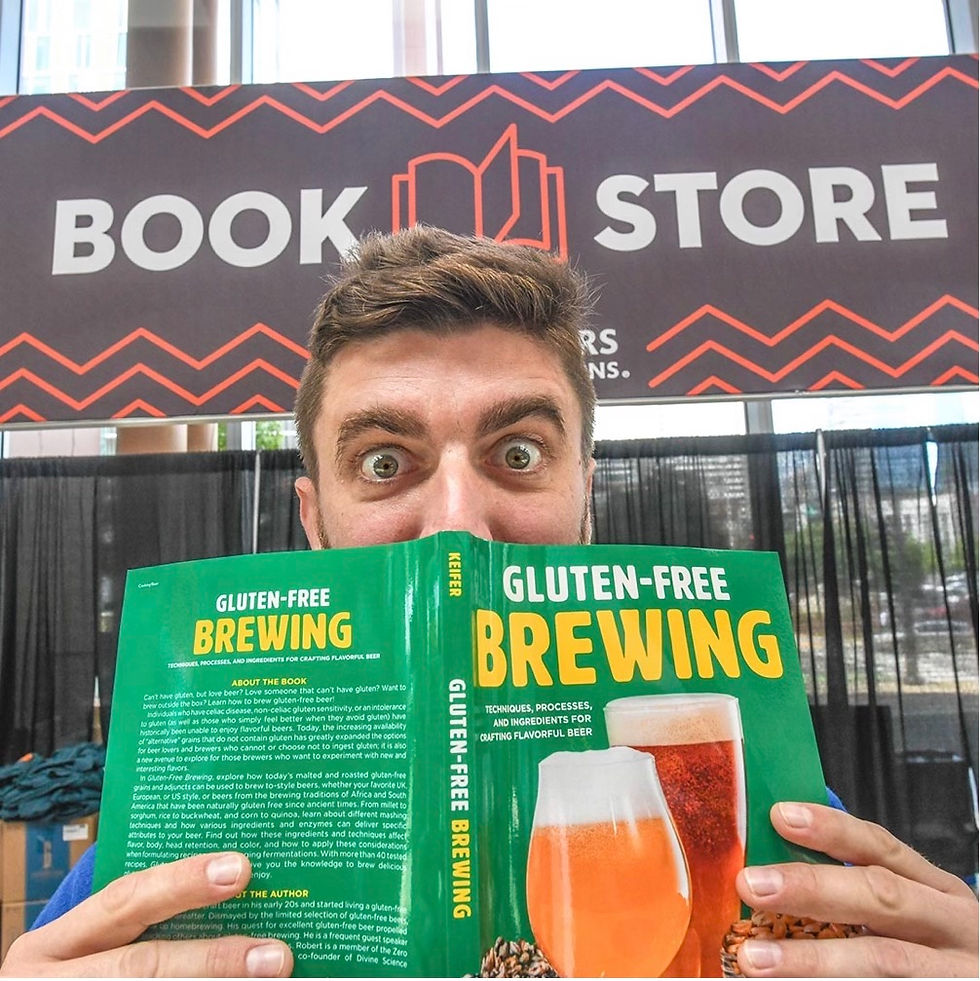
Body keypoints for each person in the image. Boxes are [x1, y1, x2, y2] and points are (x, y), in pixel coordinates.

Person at [2, 226, 975, 978]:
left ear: (582, 489)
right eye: (384, 463)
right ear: (314, 517)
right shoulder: (158, 852)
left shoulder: (784, 822)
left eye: (516, 453)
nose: (457, 524)